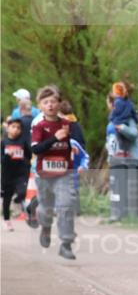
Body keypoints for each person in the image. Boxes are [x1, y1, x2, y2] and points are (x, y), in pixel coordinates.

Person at [29, 85, 79, 260]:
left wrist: (77, 148)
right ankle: (46, 226)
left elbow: (79, 142)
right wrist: (54, 139)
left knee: (66, 205)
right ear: (40, 106)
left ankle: (66, 243)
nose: (50, 105)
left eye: (53, 101)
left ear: (59, 104)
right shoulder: (39, 126)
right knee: (46, 208)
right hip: (45, 174)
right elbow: (36, 150)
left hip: (65, 173)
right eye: (45, 102)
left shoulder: (68, 124)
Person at [2, 117, 31, 231]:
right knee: (6, 199)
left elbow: (28, 155)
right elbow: (1, 159)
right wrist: (7, 156)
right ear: (8, 128)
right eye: (13, 127)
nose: (16, 129)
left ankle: (17, 201)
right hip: (7, 175)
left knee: (22, 192)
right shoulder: (3, 142)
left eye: (18, 128)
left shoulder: (23, 142)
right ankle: (7, 220)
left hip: (20, 174)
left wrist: (25, 162)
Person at [108, 81, 138, 147]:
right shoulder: (130, 103)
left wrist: (111, 118)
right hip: (126, 123)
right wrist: (137, 119)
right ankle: (124, 148)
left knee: (116, 137)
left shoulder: (117, 102)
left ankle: (120, 148)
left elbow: (114, 113)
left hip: (117, 123)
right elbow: (135, 115)